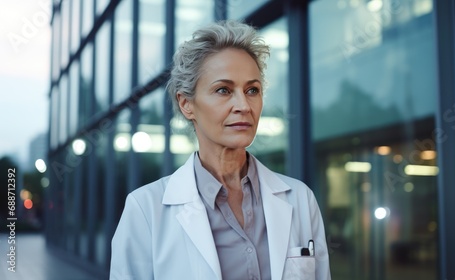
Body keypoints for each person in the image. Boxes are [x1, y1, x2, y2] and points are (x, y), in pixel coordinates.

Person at [110, 20, 331, 280]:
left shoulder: (300, 198)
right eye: (223, 90)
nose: (243, 105)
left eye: (252, 90)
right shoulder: (145, 209)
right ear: (186, 104)